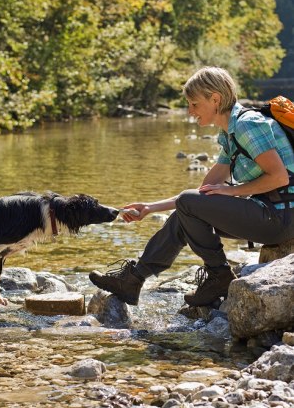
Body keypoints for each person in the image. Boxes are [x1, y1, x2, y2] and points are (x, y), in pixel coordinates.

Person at [90, 66, 294, 307]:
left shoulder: (248, 125)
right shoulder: (230, 132)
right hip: (270, 215)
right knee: (186, 211)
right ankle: (133, 280)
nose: (190, 111)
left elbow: (279, 177)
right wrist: (149, 208)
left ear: (215, 99)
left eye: (194, 104)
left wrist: (231, 191)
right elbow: (201, 194)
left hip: (281, 218)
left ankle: (219, 275)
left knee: (189, 205)